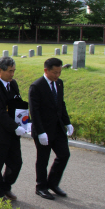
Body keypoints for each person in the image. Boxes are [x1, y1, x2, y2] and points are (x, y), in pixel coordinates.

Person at [29, 58, 74, 200]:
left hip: (58, 128)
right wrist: (41, 132)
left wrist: (67, 123)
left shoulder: (59, 83)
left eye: (59, 72)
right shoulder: (36, 86)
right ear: (46, 70)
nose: (57, 75)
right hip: (43, 130)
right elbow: (34, 111)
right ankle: (41, 187)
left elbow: (61, 104)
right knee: (43, 159)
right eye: (55, 72)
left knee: (64, 154)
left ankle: (53, 183)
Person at [0, 57, 27, 201]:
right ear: (0, 70)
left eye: (14, 71)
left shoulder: (13, 84)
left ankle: (6, 185)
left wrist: (27, 122)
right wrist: (15, 127)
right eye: (10, 71)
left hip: (13, 133)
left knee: (16, 163)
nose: (12, 74)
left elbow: (18, 104)